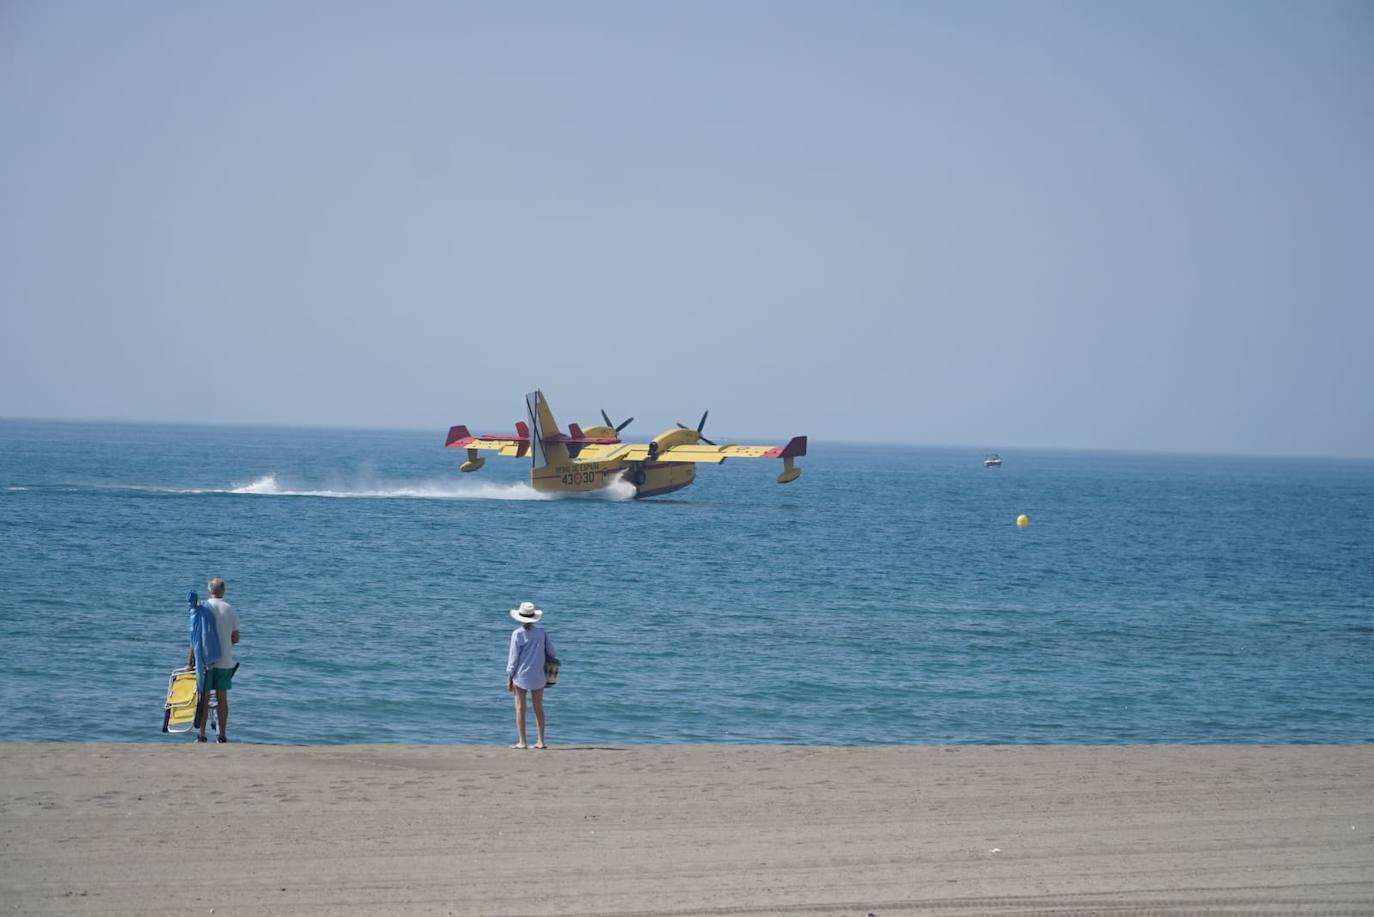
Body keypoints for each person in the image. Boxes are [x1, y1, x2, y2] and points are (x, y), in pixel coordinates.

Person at [186, 577, 241, 743]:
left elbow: (194, 638)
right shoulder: (230, 609)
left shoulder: (201, 608)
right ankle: (222, 735)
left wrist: (190, 662)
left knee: (204, 698)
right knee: (222, 699)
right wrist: (224, 644)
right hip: (225, 661)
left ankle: (202, 735)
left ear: (209, 591)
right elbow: (236, 638)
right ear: (223, 591)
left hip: (205, 661)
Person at [506, 601, 554, 749]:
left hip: (521, 676)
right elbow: (552, 653)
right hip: (539, 675)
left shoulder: (517, 634)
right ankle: (541, 741)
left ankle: (523, 741)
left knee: (520, 708)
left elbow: (513, 658)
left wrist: (509, 677)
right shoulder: (542, 634)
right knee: (538, 708)